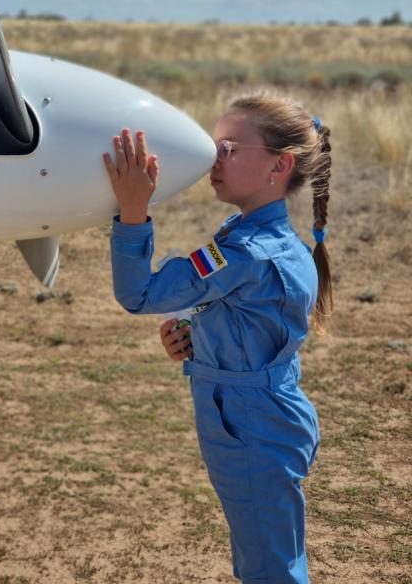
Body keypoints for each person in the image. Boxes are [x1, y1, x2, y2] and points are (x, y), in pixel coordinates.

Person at [103, 92, 332, 584]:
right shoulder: (263, 240)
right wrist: (190, 331)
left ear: (280, 165)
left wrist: (132, 212)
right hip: (266, 416)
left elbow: (139, 294)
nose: (214, 159)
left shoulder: (246, 251)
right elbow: (246, 316)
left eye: (229, 148)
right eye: (214, 145)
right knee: (269, 558)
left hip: (250, 427)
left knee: (271, 571)